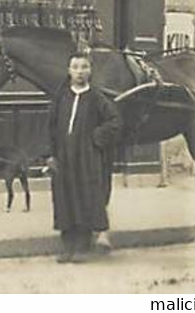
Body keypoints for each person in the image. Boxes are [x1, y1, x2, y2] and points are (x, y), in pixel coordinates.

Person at [48, 53, 121, 263]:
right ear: (69, 70)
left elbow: (114, 121)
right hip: (63, 157)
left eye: (84, 67)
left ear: (90, 71)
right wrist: (51, 155)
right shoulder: (61, 97)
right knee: (64, 198)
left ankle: (82, 247)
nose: (79, 72)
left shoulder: (96, 97)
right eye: (75, 67)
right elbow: (51, 126)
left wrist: (96, 138)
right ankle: (67, 247)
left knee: (85, 198)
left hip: (87, 159)